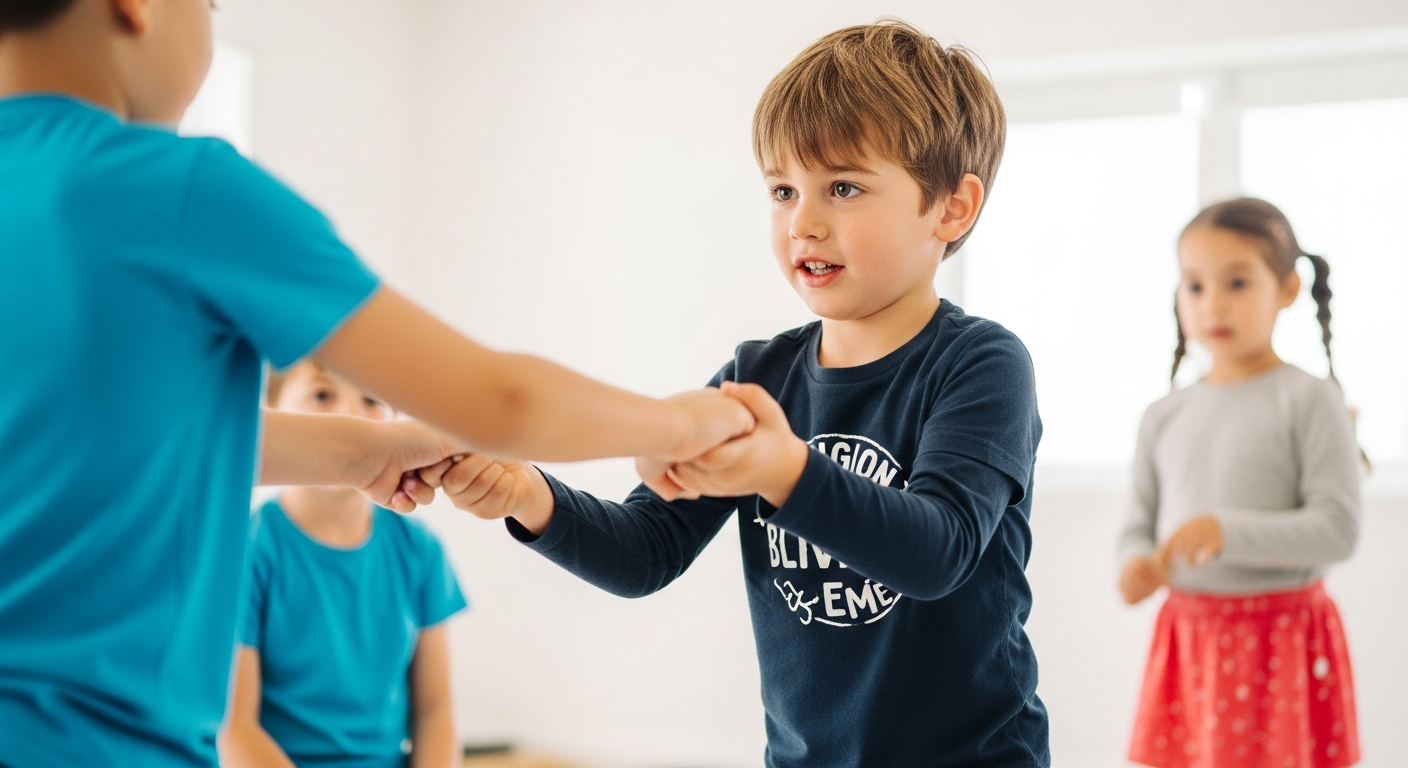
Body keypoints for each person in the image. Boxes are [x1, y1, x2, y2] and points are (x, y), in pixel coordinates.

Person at [0, 1, 753, 766]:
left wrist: (369, 451)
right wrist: (681, 427)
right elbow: (498, 401)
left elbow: (113, 434)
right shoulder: (180, 188)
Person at [426, 20, 1049, 767]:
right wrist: (529, 496)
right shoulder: (758, 377)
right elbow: (645, 551)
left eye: (843, 188)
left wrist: (781, 472)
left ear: (951, 207)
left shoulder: (981, 364)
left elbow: (936, 553)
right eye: (784, 190)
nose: (804, 223)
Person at [1117, 197, 1361, 768]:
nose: (1214, 304)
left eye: (1237, 282)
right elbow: (1137, 526)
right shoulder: (1163, 414)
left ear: (1288, 289)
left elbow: (1338, 529)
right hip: (1189, 641)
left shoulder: (1310, 399)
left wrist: (1226, 531)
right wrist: (1136, 563)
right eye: (1195, 286)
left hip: (1282, 643)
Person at [221, 362, 467, 768]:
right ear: (270, 410)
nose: (350, 417)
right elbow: (236, 727)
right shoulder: (246, 551)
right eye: (321, 395)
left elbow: (435, 711)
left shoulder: (419, 550)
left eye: (371, 399)